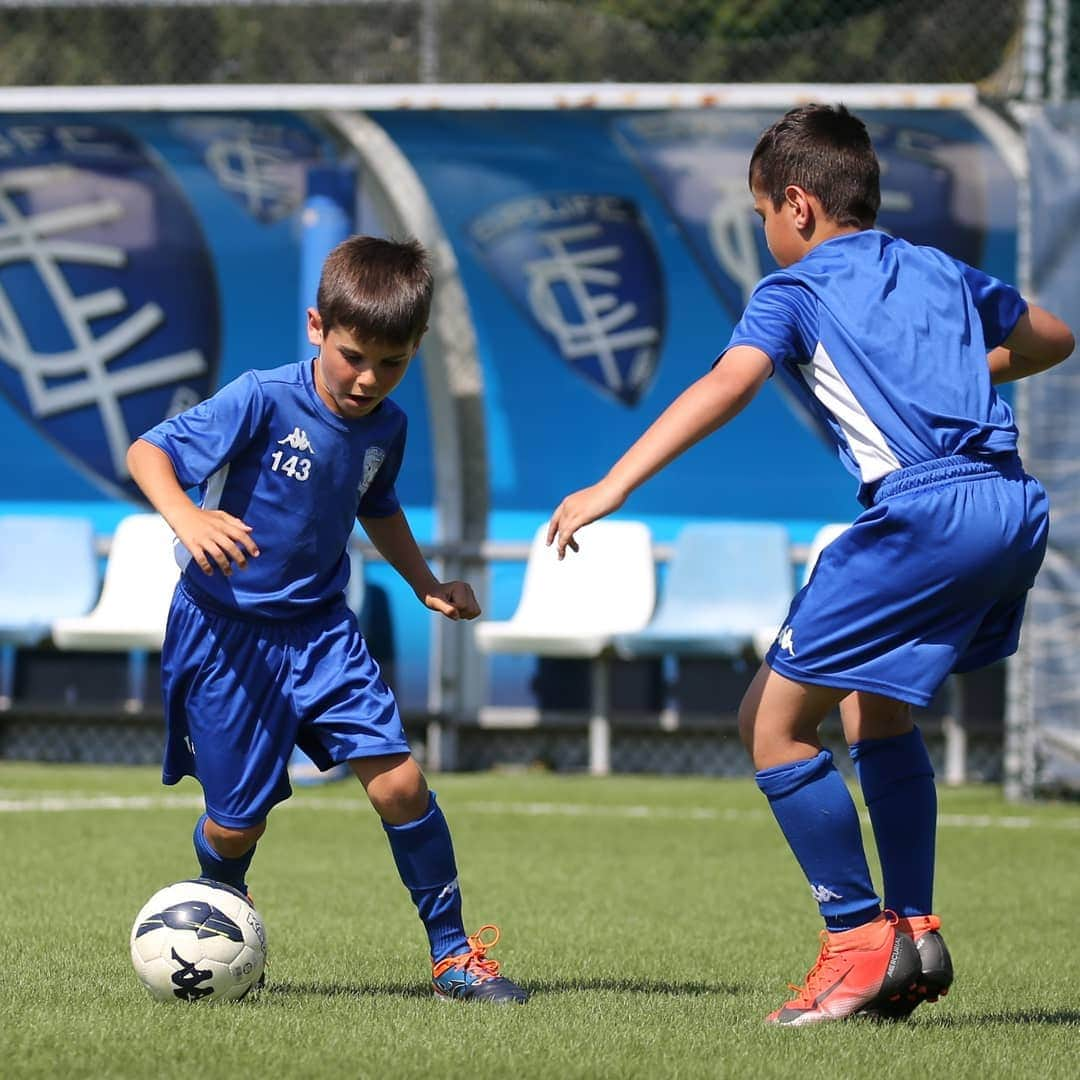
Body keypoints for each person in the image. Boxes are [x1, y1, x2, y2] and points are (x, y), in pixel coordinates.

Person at [547, 104, 1073, 1025]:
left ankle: (856, 944)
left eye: (759, 217)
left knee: (771, 722)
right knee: (879, 711)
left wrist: (611, 485)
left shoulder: (792, 293)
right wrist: (956, 370)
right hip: (1009, 502)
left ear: (798, 206)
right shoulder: (938, 269)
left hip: (927, 511)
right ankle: (915, 930)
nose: (762, 236)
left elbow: (728, 382)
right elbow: (1054, 338)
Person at [127, 235, 527, 1005]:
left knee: (401, 785)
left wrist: (424, 582)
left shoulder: (388, 426)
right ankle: (217, 901)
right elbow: (150, 452)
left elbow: (374, 503)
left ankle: (453, 959)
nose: (370, 378)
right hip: (226, 636)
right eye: (354, 355)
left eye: (394, 362)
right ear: (317, 326)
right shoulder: (262, 396)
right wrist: (187, 519)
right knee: (237, 825)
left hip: (320, 632)